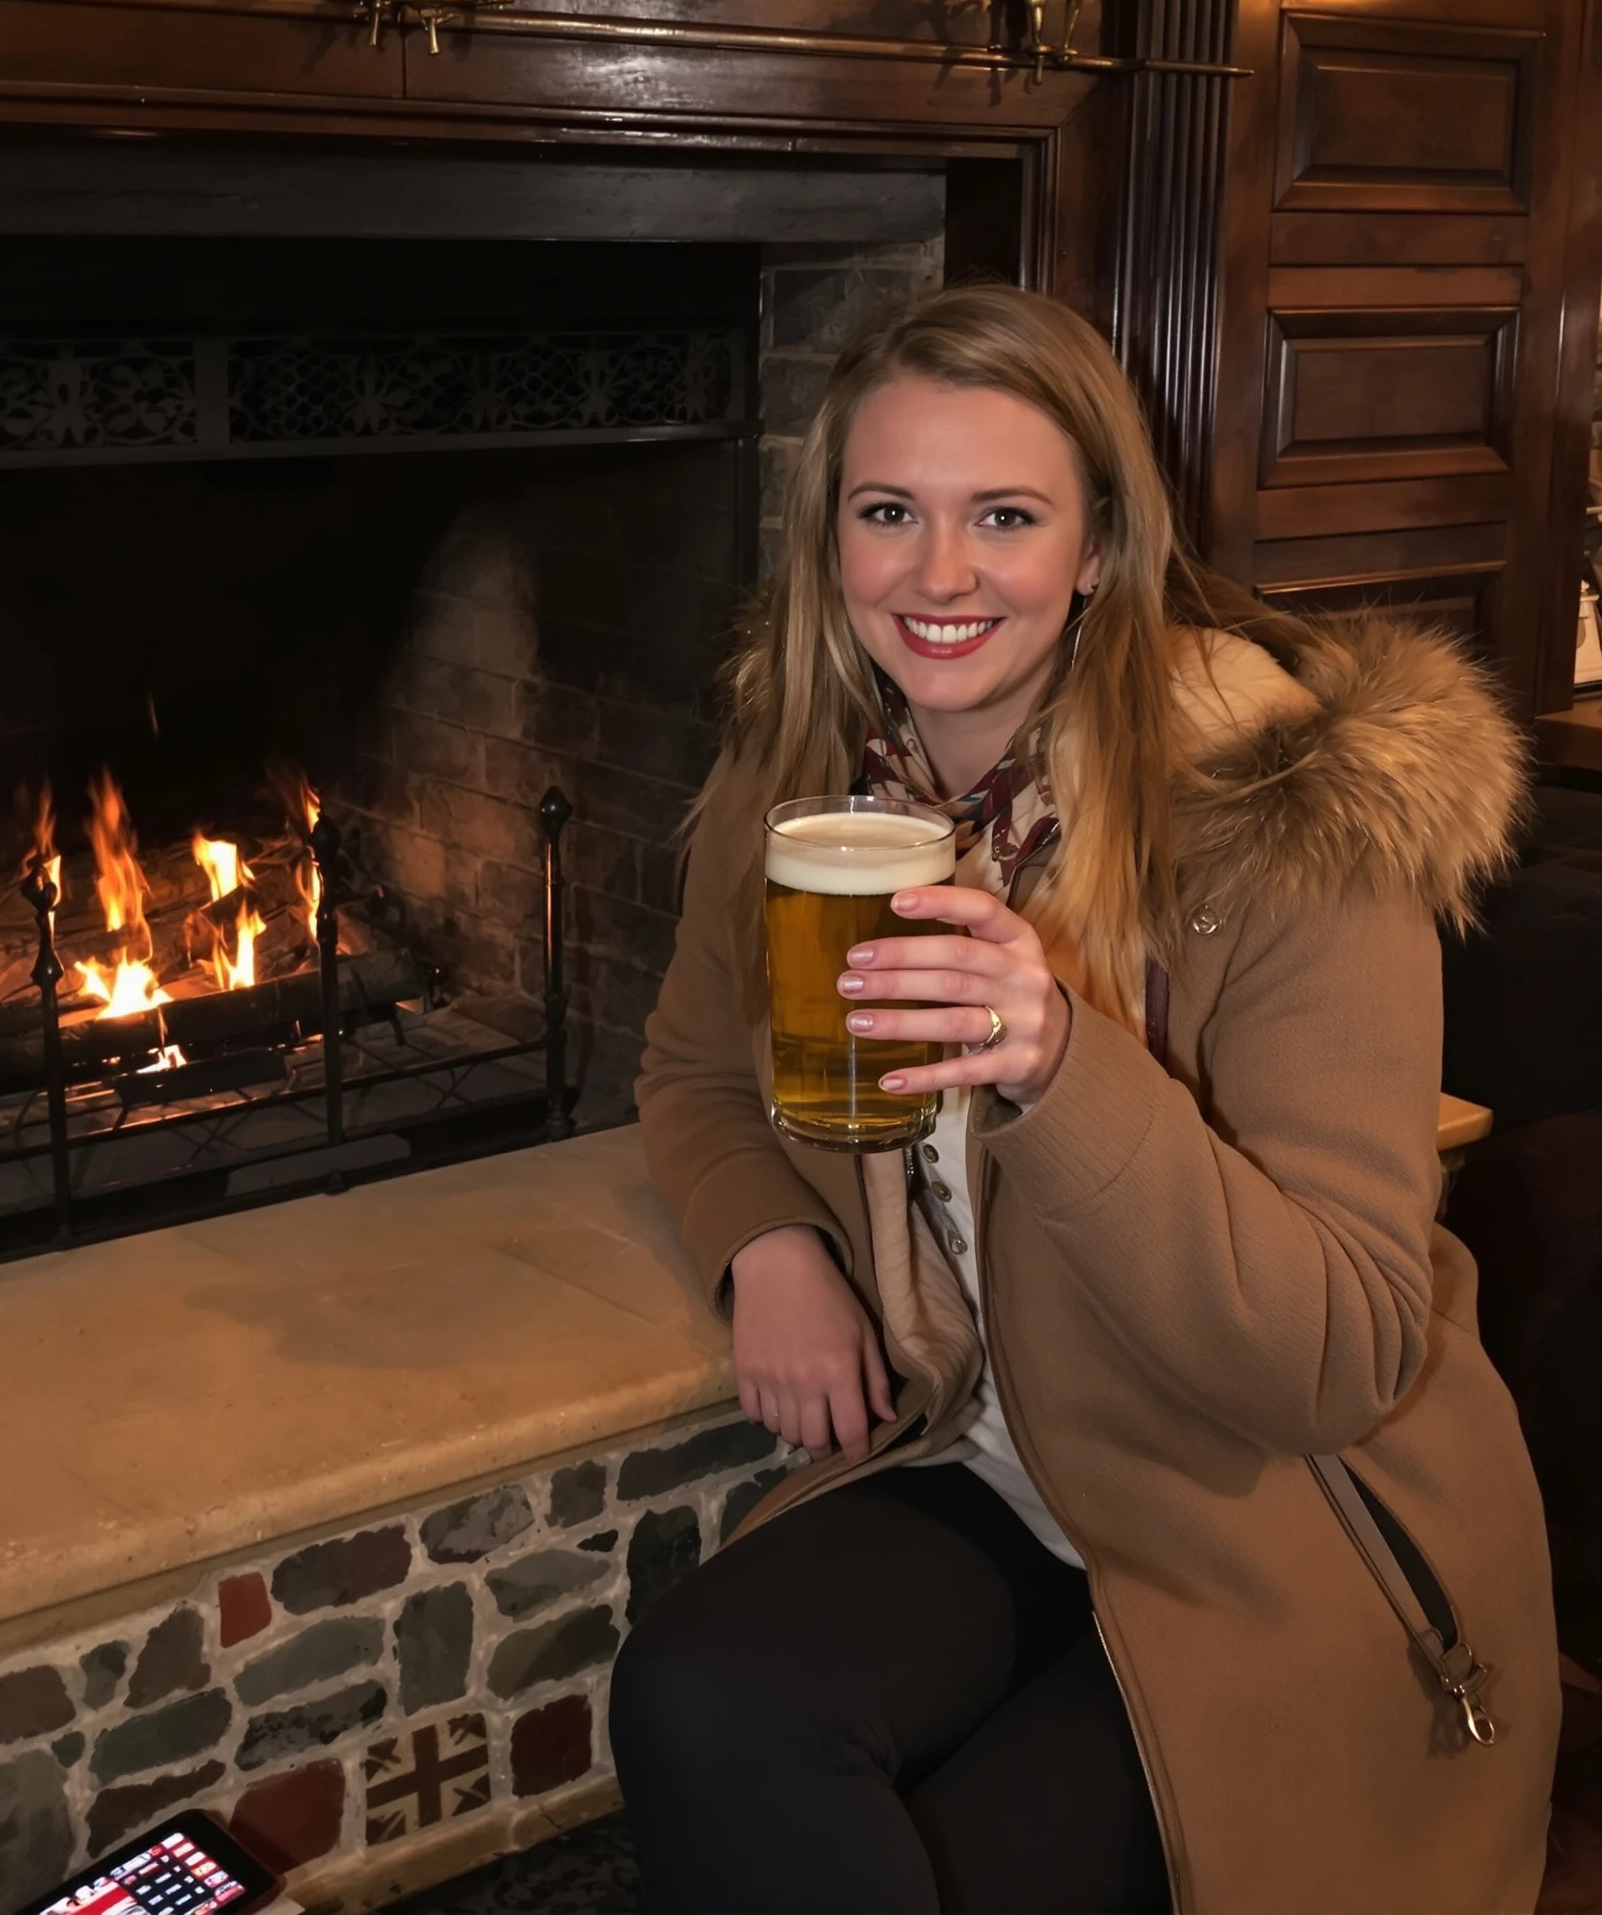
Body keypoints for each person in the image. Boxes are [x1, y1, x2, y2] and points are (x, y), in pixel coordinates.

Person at [611, 283, 1560, 1915]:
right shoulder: (807, 786)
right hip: (985, 1445)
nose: (942, 574)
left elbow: (1336, 1354)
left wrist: (1059, 1060)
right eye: (890, 512)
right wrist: (768, 1244)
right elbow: (694, 1066)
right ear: (831, 540)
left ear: (1101, 549)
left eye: (1007, 515)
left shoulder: (1277, 821)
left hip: (1263, 1511)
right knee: (700, 1697)